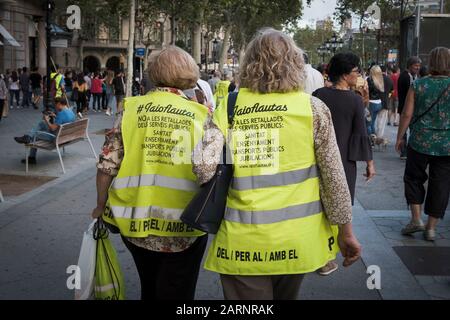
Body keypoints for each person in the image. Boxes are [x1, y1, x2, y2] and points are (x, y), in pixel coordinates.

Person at [193, 28, 361, 300]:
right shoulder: (313, 108)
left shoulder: (230, 106)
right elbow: (334, 177)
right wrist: (346, 232)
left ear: (250, 64)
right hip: (298, 238)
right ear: (296, 65)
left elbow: (202, 169)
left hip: (243, 240)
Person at [92, 46, 211, 300]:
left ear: (153, 73)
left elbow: (106, 165)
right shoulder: (202, 115)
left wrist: (100, 205)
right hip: (185, 225)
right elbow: (210, 169)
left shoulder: (131, 110)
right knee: (179, 290)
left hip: (134, 222)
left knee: (150, 285)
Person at [313, 52, 375, 276]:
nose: (358, 75)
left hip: (318, 158)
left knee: (319, 206)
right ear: (346, 75)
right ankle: (328, 255)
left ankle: (322, 256)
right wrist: (369, 162)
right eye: (357, 72)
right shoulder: (354, 100)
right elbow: (361, 133)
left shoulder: (318, 94)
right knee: (340, 206)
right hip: (344, 162)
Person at [396, 47, 450, 241]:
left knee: (413, 178)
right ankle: (431, 228)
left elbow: (407, 114)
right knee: (441, 183)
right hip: (446, 145)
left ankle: (416, 219)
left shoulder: (419, 84)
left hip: (419, 141)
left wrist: (400, 137)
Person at [13, 97, 76, 164]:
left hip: (55, 137)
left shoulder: (61, 114)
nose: (55, 106)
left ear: (59, 104)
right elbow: (64, 120)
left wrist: (46, 119)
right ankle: (28, 137)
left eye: (55, 104)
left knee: (35, 135)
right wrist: (55, 116)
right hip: (65, 136)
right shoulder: (70, 111)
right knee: (42, 123)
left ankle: (31, 157)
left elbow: (52, 128)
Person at [397, 56, 421, 160]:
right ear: (410, 66)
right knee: (404, 131)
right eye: (416, 66)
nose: (418, 68)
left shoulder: (412, 76)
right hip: (405, 108)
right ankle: (404, 152)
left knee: (409, 130)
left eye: (419, 66)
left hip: (408, 108)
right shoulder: (405, 77)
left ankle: (408, 151)